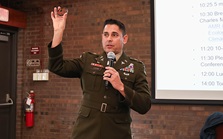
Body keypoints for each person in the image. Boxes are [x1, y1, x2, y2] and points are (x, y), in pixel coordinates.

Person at [48, 6, 151, 139]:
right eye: (106, 34)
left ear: (124, 39)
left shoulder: (136, 67)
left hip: (117, 132)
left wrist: (121, 86)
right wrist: (58, 31)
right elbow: (57, 66)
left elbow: (144, 105)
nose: (109, 39)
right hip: (86, 130)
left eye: (114, 35)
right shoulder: (88, 60)